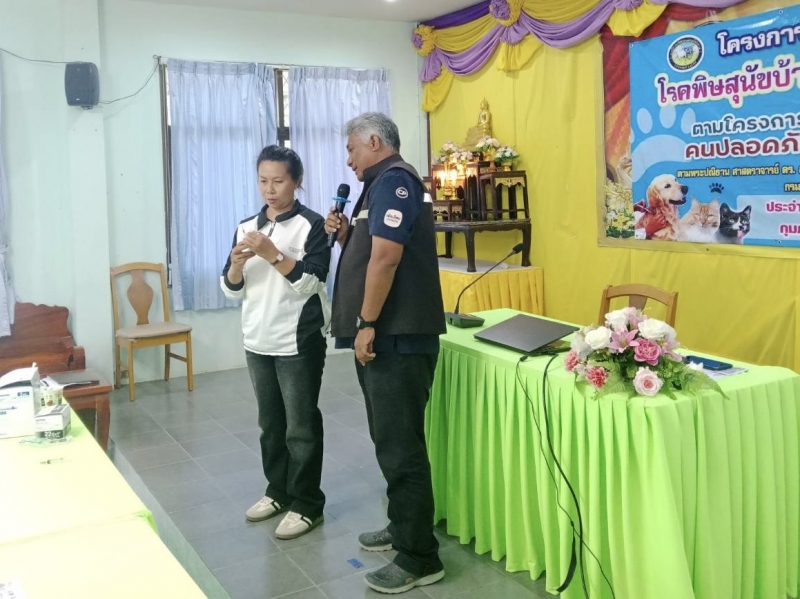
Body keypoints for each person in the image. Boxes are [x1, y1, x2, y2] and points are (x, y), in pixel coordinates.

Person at [325, 113, 446, 594]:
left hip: (397, 337)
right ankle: (402, 527)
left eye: (351, 149)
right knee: (388, 441)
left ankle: (420, 557)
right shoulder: (376, 185)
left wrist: (367, 322)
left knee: (401, 447)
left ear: (374, 141)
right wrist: (345, 235)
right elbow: (370, 250)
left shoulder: (396, 181)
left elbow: (387, 257)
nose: (348, 160)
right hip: (387, 337)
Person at [220, 145, 330, 541]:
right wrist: (236, 266)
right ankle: (278, 492)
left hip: (298, 340)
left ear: (296, 182)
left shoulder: (312, 225)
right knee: (270, 425)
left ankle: (307, 504)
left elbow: (312, 282)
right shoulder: (245, 227)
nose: (270, 189)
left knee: (300, 427)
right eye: (263, 180)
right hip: (257, 338)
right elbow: (231, 289)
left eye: (278, 181)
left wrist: (273, 255)